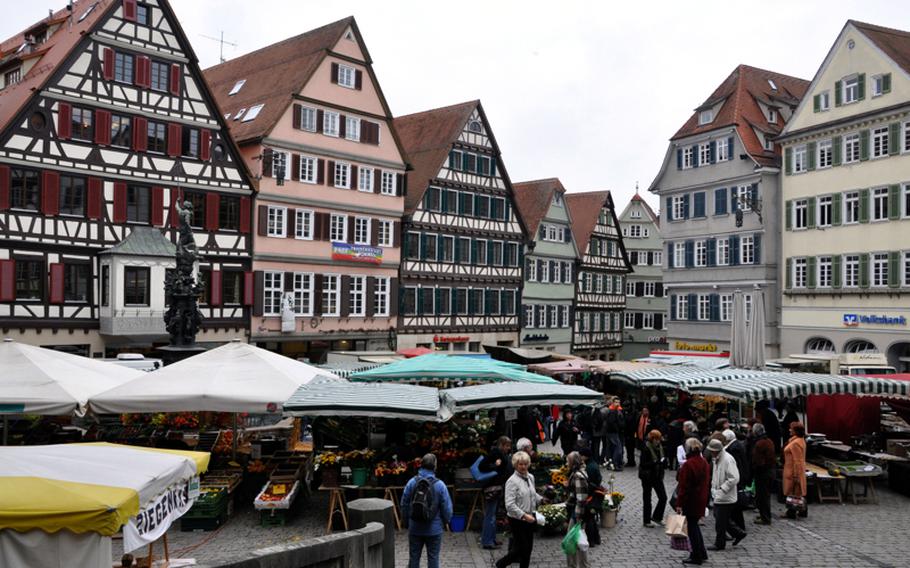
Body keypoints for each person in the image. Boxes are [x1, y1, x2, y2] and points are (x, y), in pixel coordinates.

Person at [401, 453, 453, 568]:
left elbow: (404, 504)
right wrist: (444, 522)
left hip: (415, 528)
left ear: (421, 465)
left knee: (414, 558)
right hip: (434, 529)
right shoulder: (440, 485)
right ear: (435, 466)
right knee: (433, 558)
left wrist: (407, 522)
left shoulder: (411, 482)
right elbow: (447, 509)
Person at [495, 451, 544, 568]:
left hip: (530, 517)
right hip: (517, 519)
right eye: (520, 464)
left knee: (528, 550)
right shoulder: (512, 481)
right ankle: (501, 564)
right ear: (515, 465)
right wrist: (523, 515)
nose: (523, 467)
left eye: (525, 464)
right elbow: (510, 504)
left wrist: (541, 500)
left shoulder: (530, 477)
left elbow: (532, 494)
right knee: (521, 548)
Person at [706, 439, 746, 551]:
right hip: (720, 494)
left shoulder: (728, 459)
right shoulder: (717, 459)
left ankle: (720, 543)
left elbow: (734, 478)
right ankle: (738, 533)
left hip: (725, 496)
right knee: (720, 518)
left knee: (720, 521)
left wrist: (722, 489)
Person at [676, 438, 710, 565]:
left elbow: (683, 487)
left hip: (691, 500)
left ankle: (696, 555)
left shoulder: (688, 464)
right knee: (694, 526)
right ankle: (701, 552)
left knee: (692, 528)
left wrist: (679, 504)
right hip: (701, 498)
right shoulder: (704, 462)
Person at [478, 436, 512, 549]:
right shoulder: (495, 453)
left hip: (497, 487)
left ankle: (491, 539)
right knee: (490, 515)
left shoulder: (500, 453)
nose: (509, 448)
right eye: (507, 446)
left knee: (493, 514)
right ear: (502, 444)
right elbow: (481, 466)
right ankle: (487, 541)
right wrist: (494, 466)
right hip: (492, 488)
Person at [565, 451, 590, 568]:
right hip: (577, 512)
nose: (566, 463)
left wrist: (578, 518)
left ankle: (575, 565)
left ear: (572, 462)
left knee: (573, 541)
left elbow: (581, 499)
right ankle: (579, 565)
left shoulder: (578, 476)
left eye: (567, 461)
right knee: (578, 541)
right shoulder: (578, 472)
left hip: (578, 514)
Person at [639, 429, 668, 527]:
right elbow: (643, 464)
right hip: (647, 476)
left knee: (663, 497)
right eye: (656, 439)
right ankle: (646, 521)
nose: (658, 441)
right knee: (647, 499)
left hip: (657, 476)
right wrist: (655, 462)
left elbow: (663, 462)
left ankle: (657, 517)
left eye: (659, 439)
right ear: (652, 439)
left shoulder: (660, 448)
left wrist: (664, 462)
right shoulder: (646, 448)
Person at [722, 429, 748, 533]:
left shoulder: (733, 449)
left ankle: (738, 527)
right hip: (739, 478)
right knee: (735, 506)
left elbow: (737, 466)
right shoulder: (736, 445)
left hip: (736, 479)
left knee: (735, 506)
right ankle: (738, 526)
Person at [750, 422, 775, 525]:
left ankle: (765, 517)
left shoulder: (760, 444)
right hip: (769, 471)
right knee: (765, 495)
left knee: (763, 496)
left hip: (763, 473)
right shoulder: (769, 441)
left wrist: (753, 470)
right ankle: (764, 515)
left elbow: (758, 461)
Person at [782, 421, 808, 519]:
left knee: (793, 492)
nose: (789, 430)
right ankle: (797, 511)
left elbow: (797, 460)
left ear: (795, 431)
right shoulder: (798, 441)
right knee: (796, 492)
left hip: (792, 471)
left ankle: (792, 512)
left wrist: (796, 475)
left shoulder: (796, 443)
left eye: (791, 429)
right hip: (792, 470)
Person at [578, 447, 602, 547]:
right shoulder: (593, 464)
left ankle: (591, 540)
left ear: (585, 456)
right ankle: (596, 539)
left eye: (581, 455)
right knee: (591, 518)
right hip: (595, 494)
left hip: (590, 496)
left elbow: (589, 483)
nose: (579, 457)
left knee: (589, 519)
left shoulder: (589, 467)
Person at [604, 398, 625, 470]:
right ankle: (615, 464)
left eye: (618, 402)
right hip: (613, 432)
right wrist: (618, 428)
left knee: (611, 449)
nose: (617, 404)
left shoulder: (615, 411)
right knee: (617, 449)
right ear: (612, 403)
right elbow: (612, 423)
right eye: (616, 402)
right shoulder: (612, 411)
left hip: (611, 432)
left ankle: (611, 464)